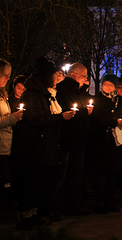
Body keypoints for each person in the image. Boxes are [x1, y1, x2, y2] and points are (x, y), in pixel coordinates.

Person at [16, 58, 75, 228]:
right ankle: (25, 216)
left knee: (39, 181)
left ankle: (33, 213)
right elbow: (35, 118)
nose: (56, 78)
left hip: (45, 144)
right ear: (46, 76)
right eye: (53, 75)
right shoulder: (33, 94)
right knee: (31, 182)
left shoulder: (44, 93)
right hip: (34, 146)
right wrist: (60, 117)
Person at [52, 63, 93, 217]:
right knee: (60, 175)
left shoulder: (80, 91)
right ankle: (56, 207)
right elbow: (67, 110)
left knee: (76, 175)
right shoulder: (62, 89)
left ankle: (73, 205)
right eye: (84, 76)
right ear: (74, 75)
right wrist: (84, 112)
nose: (85, 79)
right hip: (66, 139)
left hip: (79, 139)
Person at [0, 58, 23, 235]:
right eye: (4, 75)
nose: (7, 79)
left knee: (0, 192)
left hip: (2, 148)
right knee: (0, 191)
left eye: (8, 76)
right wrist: (12, 118)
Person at [89, 74, 122, 214]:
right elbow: (95, 120)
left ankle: (110, 201)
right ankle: (100, 202)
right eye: (105, 84)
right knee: (102, 173)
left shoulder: (119, 100)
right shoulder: (97, 100)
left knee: (113, 173)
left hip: (115, 141)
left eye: (111, 85)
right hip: (102, 141)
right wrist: (113, 121)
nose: (108, 87)